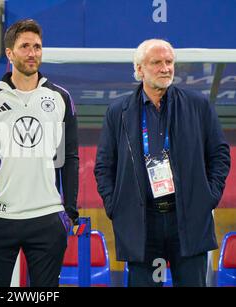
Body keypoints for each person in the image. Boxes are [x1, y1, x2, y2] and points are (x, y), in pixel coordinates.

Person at [94, 39, 231, 287]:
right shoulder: (118, 111)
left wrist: (208, 197)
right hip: (142, 222)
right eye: (156, 63)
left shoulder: (198, 105)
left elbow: (220, 154)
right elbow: (104, 166)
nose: (165, 68)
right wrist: (114, 206)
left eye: (169, 62)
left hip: (188, 219)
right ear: (139, 70)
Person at [0, 19, 79, 287]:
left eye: (37, 46)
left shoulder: (61, 98)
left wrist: (70, 213)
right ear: (10, 53)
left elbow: (71, 157)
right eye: (25, 46)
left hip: (47, 217)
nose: (32, 53)